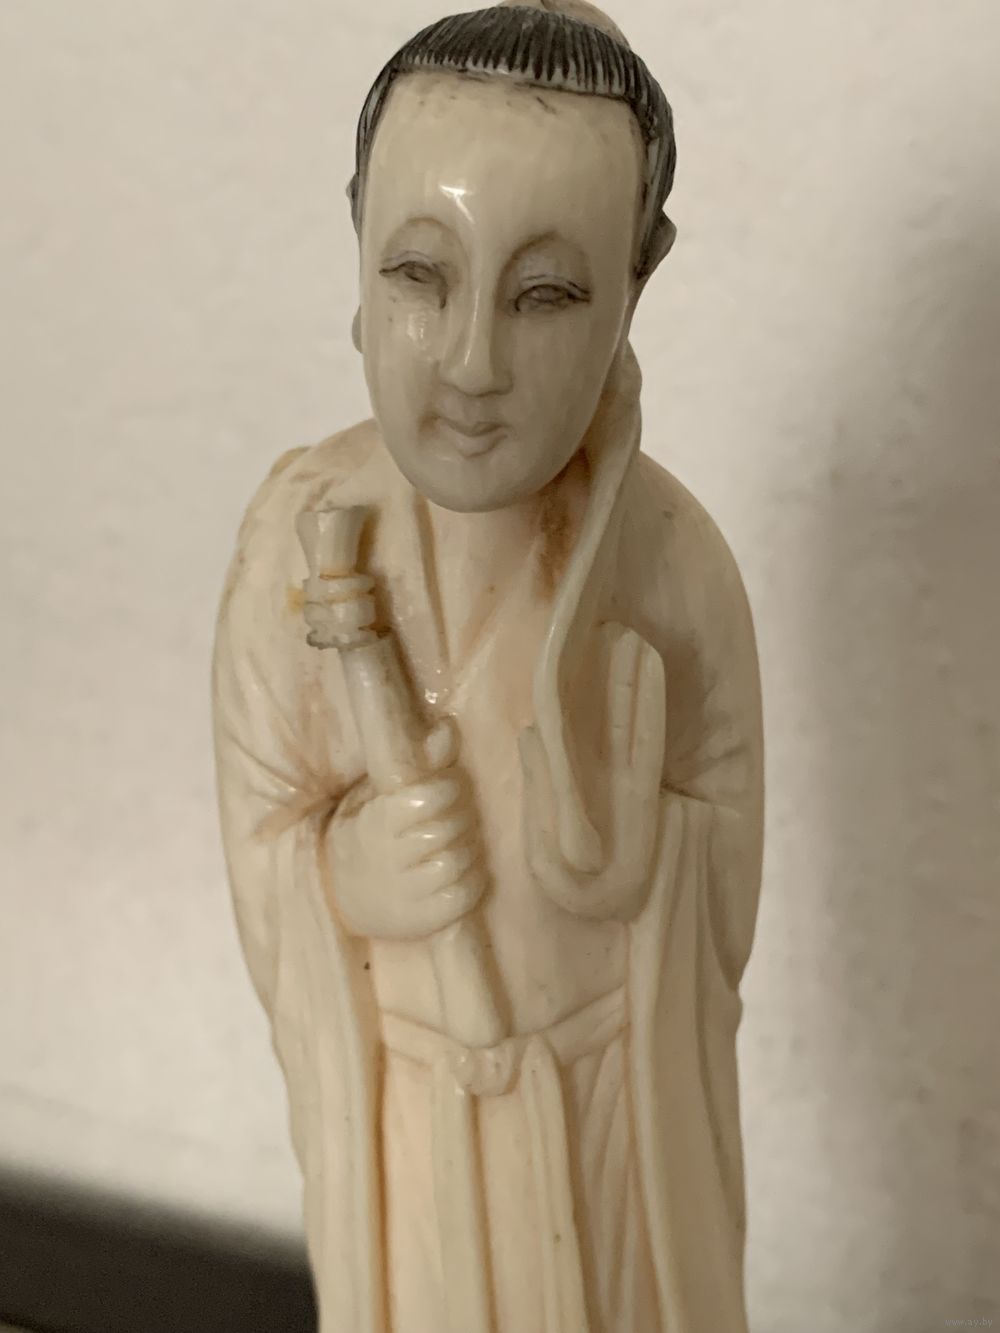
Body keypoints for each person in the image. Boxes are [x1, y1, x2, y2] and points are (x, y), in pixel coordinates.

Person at [213, 3, 763, 1330]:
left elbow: (726, 871)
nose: (472, 363)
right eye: (419, 274)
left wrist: (640, 866)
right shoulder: (301, 535)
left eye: (548, 295)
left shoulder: (672, 566)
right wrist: (341, 874)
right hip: (408, 1116)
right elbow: (264, 829)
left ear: (636, 282)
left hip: (603, 1124)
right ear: (357, 249)